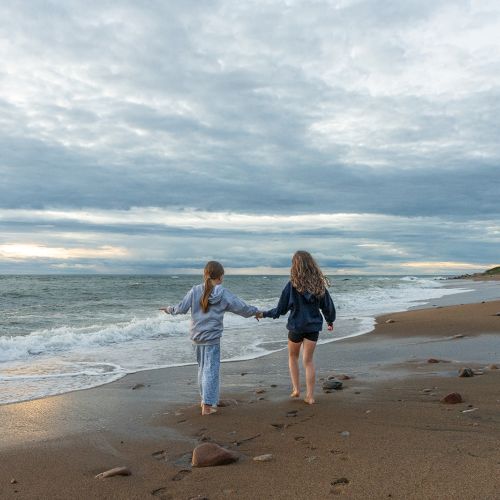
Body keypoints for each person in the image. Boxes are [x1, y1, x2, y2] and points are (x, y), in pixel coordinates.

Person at [160, 261, 258, 416]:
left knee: (202, 369)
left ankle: (205, 400)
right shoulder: (223, 293)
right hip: (212, 339)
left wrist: (169, 309)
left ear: (205, 274)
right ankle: (207, 405)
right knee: (211, 370)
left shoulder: (195, 291)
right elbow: (241, 308)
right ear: (221, 277)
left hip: (196, 338)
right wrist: (256, 312)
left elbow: (181, 308)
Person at [257, 251, 336, 404]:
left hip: (296, 327)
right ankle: (310, 396)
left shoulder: (292, 286)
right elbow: (328, 307)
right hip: (313, 327)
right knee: (308, 361)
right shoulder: (319, 285)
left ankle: (296, 390)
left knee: (293, 357)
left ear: (295, 266)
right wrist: (330, 321)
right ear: (311, 265)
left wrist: (263, 314)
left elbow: (280, 310)